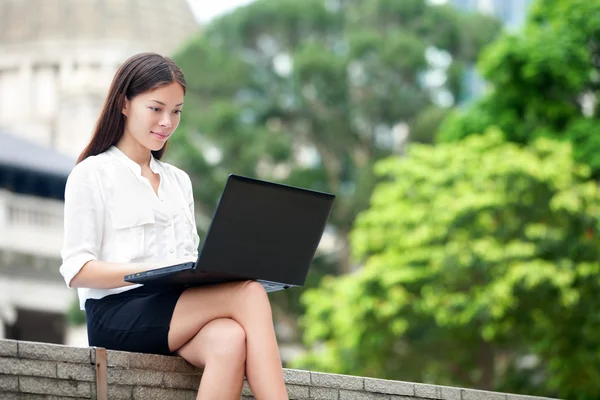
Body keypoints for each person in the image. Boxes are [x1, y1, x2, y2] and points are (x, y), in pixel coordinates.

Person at [59, 52, 289, 400]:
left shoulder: (179, 181)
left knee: (230, 338)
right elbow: (77, 269)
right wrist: (151, 270)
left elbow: (186, 255)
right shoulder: (91, 174)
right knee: (249, 293)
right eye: (156, 108)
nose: (167, 121)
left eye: (177, 111)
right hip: (117, 313)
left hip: (175, 306)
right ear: (124, 104)